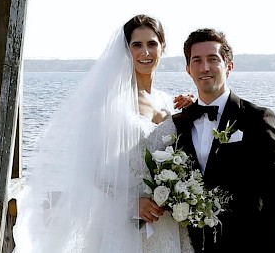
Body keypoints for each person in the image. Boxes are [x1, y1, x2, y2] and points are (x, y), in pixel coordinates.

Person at [15, 15, 194, 253]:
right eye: (137, 45)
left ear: (163, 48)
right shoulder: (110, 105)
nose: (145, 52)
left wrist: (192, 111)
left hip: (166, 220)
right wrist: (131, 205)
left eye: (152, 44)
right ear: (126, 50)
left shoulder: (168, 102)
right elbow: (89, 169)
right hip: (124, 221)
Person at [169, 28, 275, 252]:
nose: (205, 68)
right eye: (197, 60)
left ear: (229, 66)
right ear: (188, 69)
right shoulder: (179, 123)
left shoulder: (258, 118)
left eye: (213, 59)